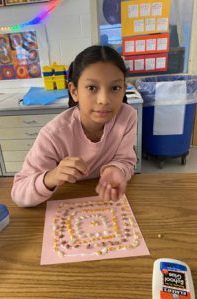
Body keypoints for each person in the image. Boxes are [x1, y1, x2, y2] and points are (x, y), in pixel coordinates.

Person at [11, 45, 137, 207]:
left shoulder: (127, 117)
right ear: (74, 91)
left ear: (124, 90)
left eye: (115, 88)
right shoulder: (53, 134)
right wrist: (51, 177)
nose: (104, 100)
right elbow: (19, 194)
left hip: (105, 200)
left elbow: (126, 161)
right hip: (68, 201)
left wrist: (116, 169)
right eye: (92, 88)